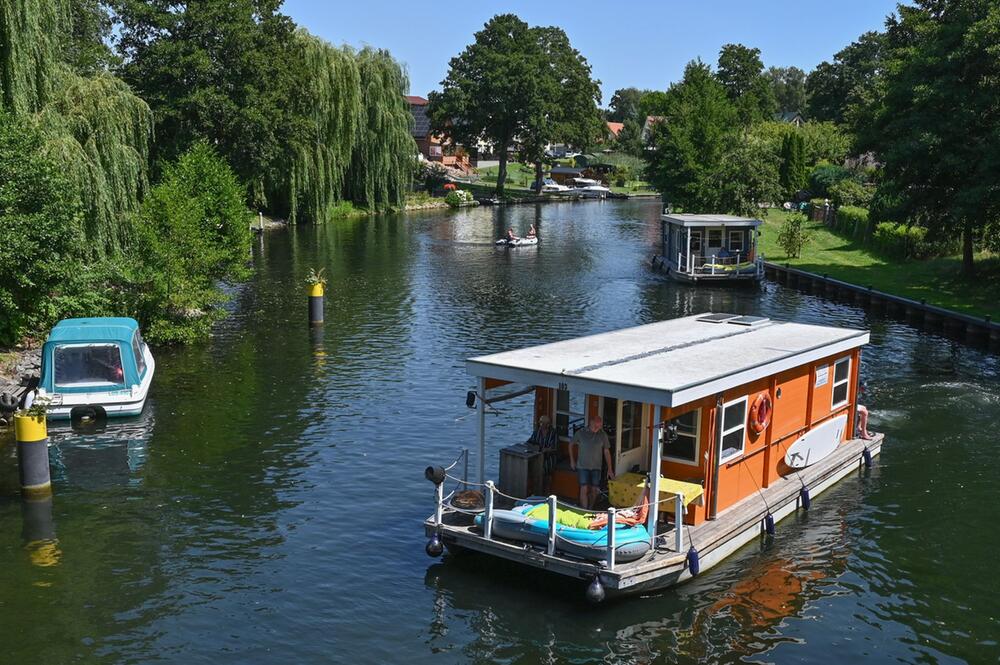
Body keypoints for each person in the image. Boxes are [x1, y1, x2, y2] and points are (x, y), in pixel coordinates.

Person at [570, 415, 613, 509]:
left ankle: (590, 508)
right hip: (582, 466)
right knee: (584, 488)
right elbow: (571, 444)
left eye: (599, 426)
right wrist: (572, 461)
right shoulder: (581, 433)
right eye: (596, 426)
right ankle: (584, 510)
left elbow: (606, 451)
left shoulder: (602, 434)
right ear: (591, 422)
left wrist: (610, 469)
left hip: (596, 467)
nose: (598, 428)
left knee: (594, 490)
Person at [527, 414, 557, 492]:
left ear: (548, 424)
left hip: (549, 457)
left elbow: (554, 448)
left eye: (543, 423)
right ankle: (533, 490)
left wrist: (545, 450)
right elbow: (529, 442)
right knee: (529, 466)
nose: (541, 424)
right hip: (537, 456)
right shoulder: (537, 432)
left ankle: (545, 491)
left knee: (545, 469)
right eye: (540, 422)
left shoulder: (553, 433)